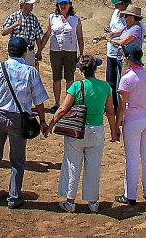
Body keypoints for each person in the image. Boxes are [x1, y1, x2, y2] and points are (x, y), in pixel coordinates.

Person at [0, 37, 51, 209]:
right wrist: (42, 121)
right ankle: (14, 197)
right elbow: (39, 101)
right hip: (19, 120)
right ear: (24, 52)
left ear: (8, 50)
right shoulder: (30, 72)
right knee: (18, 159)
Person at [46, 55, 118, 213]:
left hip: (77, 130)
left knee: (72, 165)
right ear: (95, 69)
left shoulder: (77, 86)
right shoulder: (106, 87)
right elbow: (111, 112)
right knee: (93, 167)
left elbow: (63, 109)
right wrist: (114, 131)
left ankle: (70, 201)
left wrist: (51, 124)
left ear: (81, 70)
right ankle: (93, 202)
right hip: (96, 130)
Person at [115, 48, 146, 205]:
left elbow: (122, 104)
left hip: (133, 120)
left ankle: (130, 195)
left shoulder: (127, 78)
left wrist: (117, 124)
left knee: (132, 158)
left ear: (129, 59)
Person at [42, 0, 83, 112]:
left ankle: (68, 103)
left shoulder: (75, 20)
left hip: (70, 51)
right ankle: (56, 103)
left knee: (70, 78)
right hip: (55, 51)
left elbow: (80, 37)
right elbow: (47, 34)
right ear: (58, 5)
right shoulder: (52, 18)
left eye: (66, 3)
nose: (63, 6)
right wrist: (39, 50)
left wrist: (81, 53)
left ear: (70, 5)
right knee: (56, 78)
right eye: (61, 4)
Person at [103, 0, 131, 105]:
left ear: (125, 4)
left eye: (118, 4)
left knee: (121, 81)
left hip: (122, 53)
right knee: (110, 80)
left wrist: (114, 34)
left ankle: (121, 106)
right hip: (111, 51)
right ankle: (111, 104)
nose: (115, 6)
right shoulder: (115, 12)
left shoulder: (131, 17)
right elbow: (113, 27)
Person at [2, 0, 45, 68]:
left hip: (29, 53)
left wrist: (39, 51)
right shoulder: (13, 17)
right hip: (16, 53)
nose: (32, 6)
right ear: (22, 5)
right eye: (29, 4)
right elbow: (3, 32)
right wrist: (14, 25)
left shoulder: (34, 19)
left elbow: (38, 37)